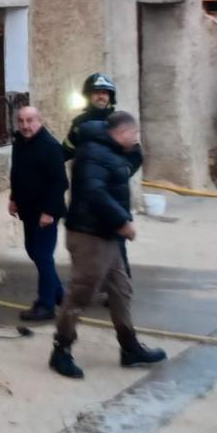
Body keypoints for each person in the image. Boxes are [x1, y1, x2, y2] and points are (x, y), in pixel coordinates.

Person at [49, 111, 167, 379]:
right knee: (80, 294)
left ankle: (130, 348)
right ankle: (61, 350)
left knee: (121, 289)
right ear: (123, 132)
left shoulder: (111, 151)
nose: (136, 139)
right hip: (89, 236)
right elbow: (94, 192)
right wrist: (122, 221)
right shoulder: (94, 153)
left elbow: (122, 174)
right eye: (134, 134)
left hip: (107, 236)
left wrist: (136, 152)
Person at [63, 72, 141, 284]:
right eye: (96, 92)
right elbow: (65, 151)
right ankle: (91, 284)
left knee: (116, 241)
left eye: (105, 93)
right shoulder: (79, 124)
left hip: (113, 195)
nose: (101, 97)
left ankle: (121, 285)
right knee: (88, 242)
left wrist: (122, 172)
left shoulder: (118, 122)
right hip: (86, 195)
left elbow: (136, 155)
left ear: (111, 96)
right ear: (89, 95)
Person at [8, 105, 68, 321]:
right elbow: (16, 173)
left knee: (43, 255)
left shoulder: (50, 146)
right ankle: (60, 294)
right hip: (27, 210)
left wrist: (49, 212)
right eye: (21, 121)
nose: (25, 125)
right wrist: (13, 198)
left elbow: (60, 182)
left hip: (45, 213)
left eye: (30, 120)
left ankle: (46, 305)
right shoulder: (19, 143)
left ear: (39, 121)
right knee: (33, 251)